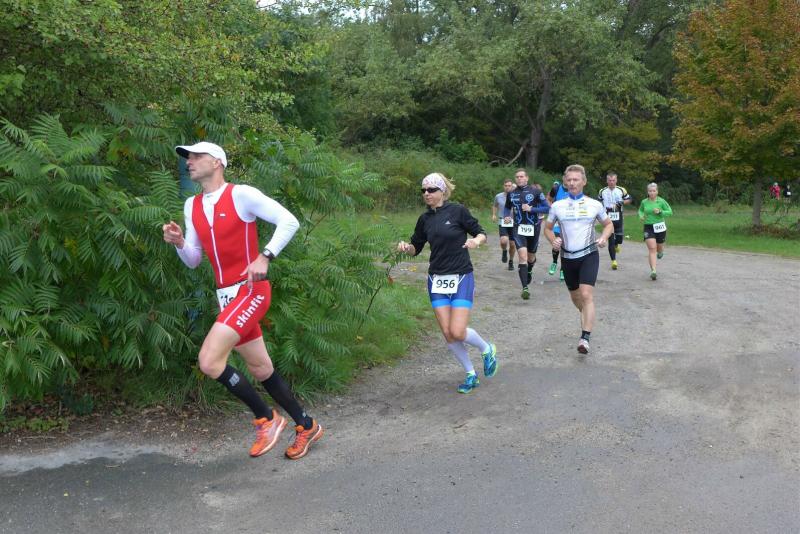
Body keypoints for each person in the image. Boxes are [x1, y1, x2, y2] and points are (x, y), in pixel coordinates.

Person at [163, 141, 323, 460]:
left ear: (217, 162)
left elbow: (289, 221)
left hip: (251, 291)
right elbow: (194, 260)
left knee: (209, 361)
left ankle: (266, 418)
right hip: (227, 297)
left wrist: (265, 256)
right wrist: (180, 243)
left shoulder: (241, 195)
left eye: (196, 156)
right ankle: (306, 425)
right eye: (187, 157)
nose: (189, 161)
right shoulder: (192, 205)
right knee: (261, 367)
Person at [397, 173, 498, 393]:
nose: (426, 194)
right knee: (448, 332)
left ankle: (487, 348)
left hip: (461, 276)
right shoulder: (424, 219)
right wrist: (406, 247)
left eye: (431, 190)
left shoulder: (457, 211)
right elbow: (416, 248)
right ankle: (470, 374)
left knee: (458, 331)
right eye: (423, 190)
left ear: (442, 191)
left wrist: (476, 241)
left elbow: (481, 232)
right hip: (436, 279)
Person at [543, 164, 613, 354]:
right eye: (569, 180)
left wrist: (604, 237)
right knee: (576, 297)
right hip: (567, 257)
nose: (572, 183)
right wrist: (553, 240)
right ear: (565, 182)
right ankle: (587, 315)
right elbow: (547, 229)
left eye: (576, 179)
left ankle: (585, 338)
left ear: (584, 182)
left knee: (586, 295)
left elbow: (608, 225)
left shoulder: (594, 204)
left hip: (589, 254)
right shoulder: (557, 206)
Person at [506, 169, 550, 300]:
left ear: (527, 178)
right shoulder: (511, 193)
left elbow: (547, 208)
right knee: (522, 256)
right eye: (517, 177)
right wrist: (507, 216)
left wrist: (532, 209)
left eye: (521, 176)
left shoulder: (536, 191)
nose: (519, 179)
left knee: (531, 258)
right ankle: (525, 288)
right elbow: (507, 207)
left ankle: (529, 269)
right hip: (518, 227)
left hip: (533, 228)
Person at [597, 172, 632, 270]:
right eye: (609, 180)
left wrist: (621, 202)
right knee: (611, 240)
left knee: (619, 239)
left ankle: (617, 244)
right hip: (607, 219)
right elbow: (598, 202)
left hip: (618, 217)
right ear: (607, 181)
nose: (611, 182)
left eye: (613, 180)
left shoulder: (621, 190)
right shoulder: (602, 191)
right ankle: (614, 261)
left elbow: (629, 199)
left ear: (616, 180)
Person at [638, 182, 673, 281]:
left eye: (654, 191)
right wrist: (641, 216)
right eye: (650, 191)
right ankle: (653, 271)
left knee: (659, 247)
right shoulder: (644, 202)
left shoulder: (661, 201)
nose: (652, 193)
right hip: (648, 226)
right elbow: (640, 210)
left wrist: (660, 212)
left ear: (657, 191)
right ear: (647, 192)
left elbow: (670, 212)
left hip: (660, 227)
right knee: (652, 248)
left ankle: (660, 251)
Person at [492, 178, 517, 271]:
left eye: (509, 186)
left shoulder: (516, 196)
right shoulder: (498, 196)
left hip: (514, 222)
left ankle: (511, 261)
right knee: (503, 241)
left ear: (512, 186)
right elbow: (495, 205)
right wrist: (494, 214)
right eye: (506, 186)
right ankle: (504, 250)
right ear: (503, 186)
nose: (507, 187)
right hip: (503, 221)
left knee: (513, 244)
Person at [546, 180, 569, 281]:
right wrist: (552, 208)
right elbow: (548, 199)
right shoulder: (556, 188)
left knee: (565, 246)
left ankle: (563, 269)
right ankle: (554, 262)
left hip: (568, 222)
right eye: (567, 178)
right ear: (563, 178)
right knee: (557, 243)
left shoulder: (575, 189)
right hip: (557, 222)